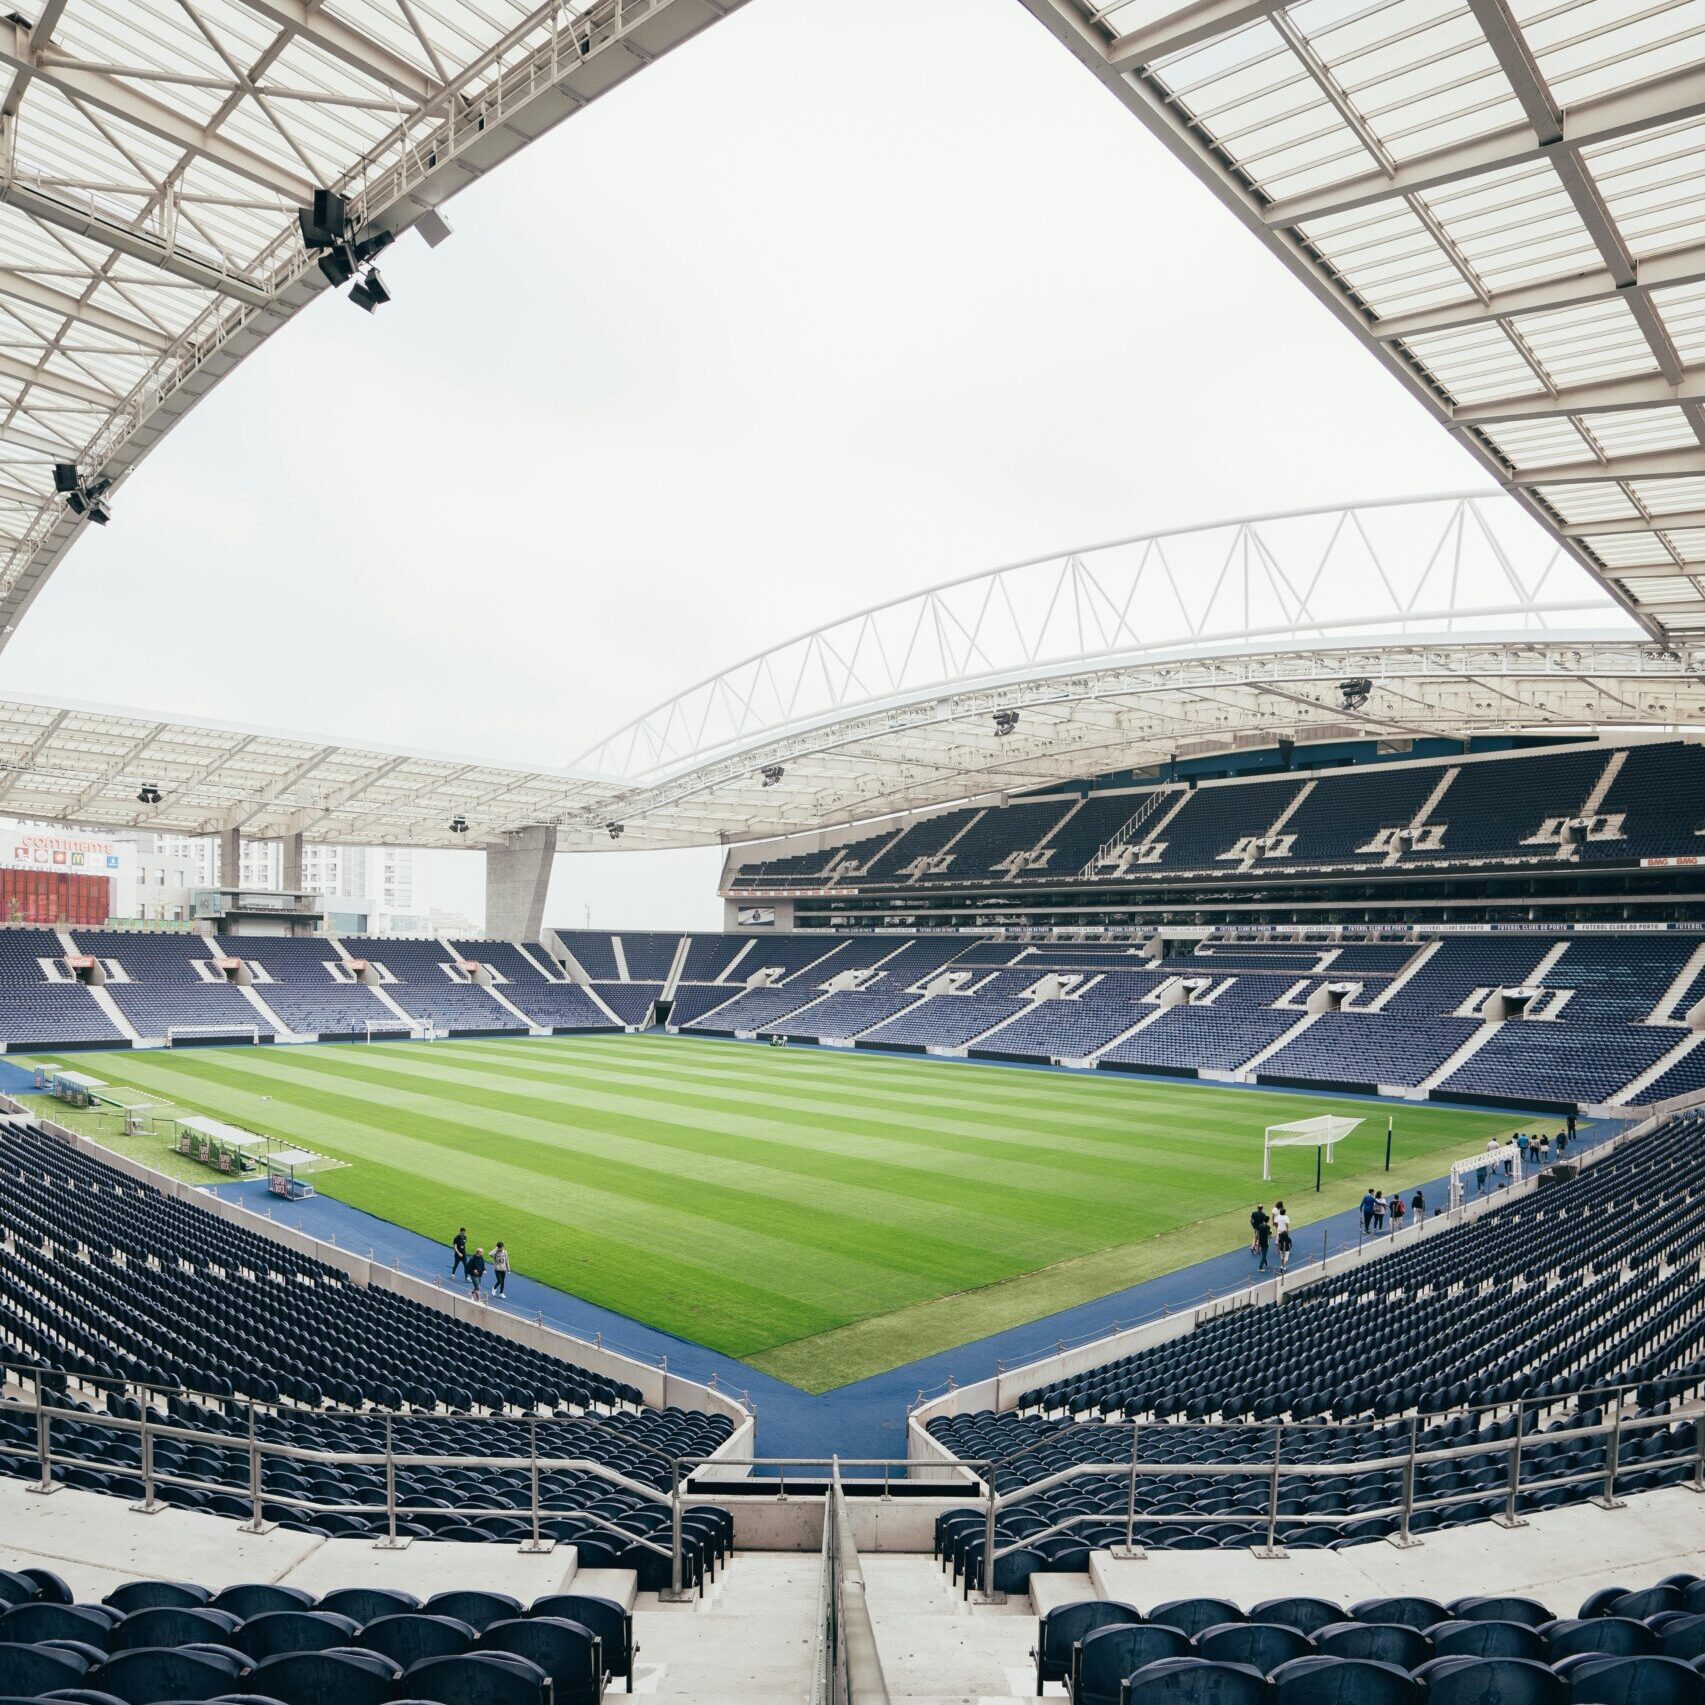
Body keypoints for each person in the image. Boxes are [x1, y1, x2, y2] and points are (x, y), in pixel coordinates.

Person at [1272, 1201, 1292, 1273]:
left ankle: (1278, 1250)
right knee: (1286, 1241)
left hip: (1279, 1230)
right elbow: (1287, 1224)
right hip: (1284, 1231)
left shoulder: (1279, 1217)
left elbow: (1275, 1221)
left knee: (1279, 1240)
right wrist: (1288, 1231)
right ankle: (1283, 1266)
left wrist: (1277, 1225)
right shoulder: (1286, 1217)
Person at [1251, 1204, 1271, 1271]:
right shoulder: (1267, 1225)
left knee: (1256, 1237)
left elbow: (1252, 1220)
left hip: (1257, 1228)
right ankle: (1260, 1267)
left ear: (1257, 1208)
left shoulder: (1254, 1213)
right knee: (1264, 1254)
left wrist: (1254, 1226)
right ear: (1262, 1208)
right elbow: (1269, 1234)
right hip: (1264, 1240)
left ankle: (1253, 1246)